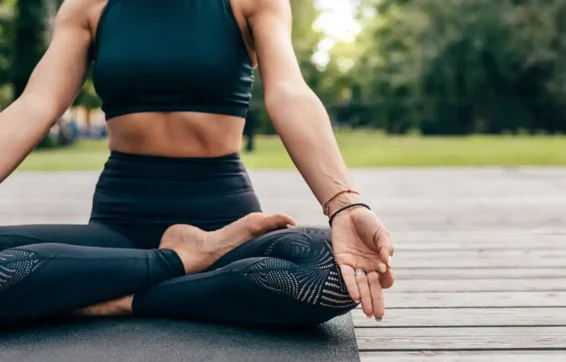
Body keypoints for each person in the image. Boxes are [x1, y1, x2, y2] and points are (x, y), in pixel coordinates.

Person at [0, 0, 394, 328]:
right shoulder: (88, 5)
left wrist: (344, 202)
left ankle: (121, 296)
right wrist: (177, 259)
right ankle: (180, 263)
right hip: (119, 224)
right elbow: (35, 106)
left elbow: (290, 93)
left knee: (334, 268)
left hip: (226, 228)